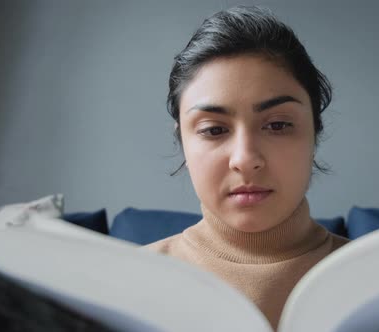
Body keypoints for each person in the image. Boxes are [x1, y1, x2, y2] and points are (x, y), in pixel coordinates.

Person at [145, 5, 349, 329]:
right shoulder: (126, 283)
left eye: (278, 125)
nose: (245, 159)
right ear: (182, 140)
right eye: (214, 130)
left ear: (315, 131)